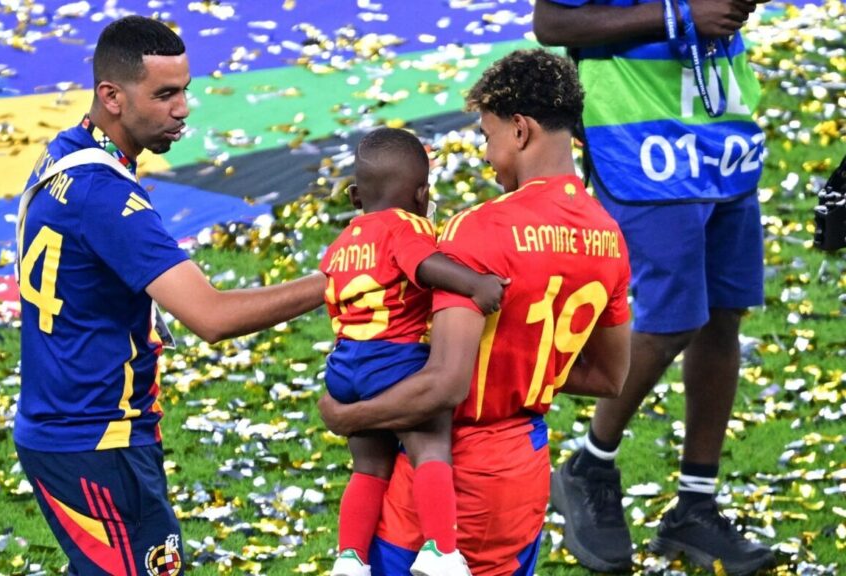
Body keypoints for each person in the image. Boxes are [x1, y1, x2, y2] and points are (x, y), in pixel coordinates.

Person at [12, 16, 325, 575]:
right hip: (97, 444)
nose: (183, 108)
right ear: (111, 96)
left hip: (65, 430)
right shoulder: (105, 197)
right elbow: (211, 316)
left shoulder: (65, 154)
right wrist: (337, 280)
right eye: (164, 94)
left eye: (185, 90)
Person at [319, 49, 632, 576]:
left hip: (451, 476)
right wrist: (522, 364)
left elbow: (445, 384)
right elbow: (607, 375)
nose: (487, 156)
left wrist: (344, 416)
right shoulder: (608, 235)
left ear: (520, 129)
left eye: (487, 136)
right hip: (523, 473)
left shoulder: (479, 229)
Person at [533, 1, 776, 574]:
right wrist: (680, 16)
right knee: (674, 319)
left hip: (721, 131)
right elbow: (553, 25)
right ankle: (589, 466)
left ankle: (695, 504)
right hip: (638, 138)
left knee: (722, 315)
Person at [322, 127, 506, 576]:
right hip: (394, 359)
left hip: (345, 365)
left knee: (368, 466)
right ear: (423, 195)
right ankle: (441, 550)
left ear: (354, 196)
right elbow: (424, 265)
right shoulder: (404, 227)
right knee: (430, 446)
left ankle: (350, 557)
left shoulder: (342, 244)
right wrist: (475, 285)